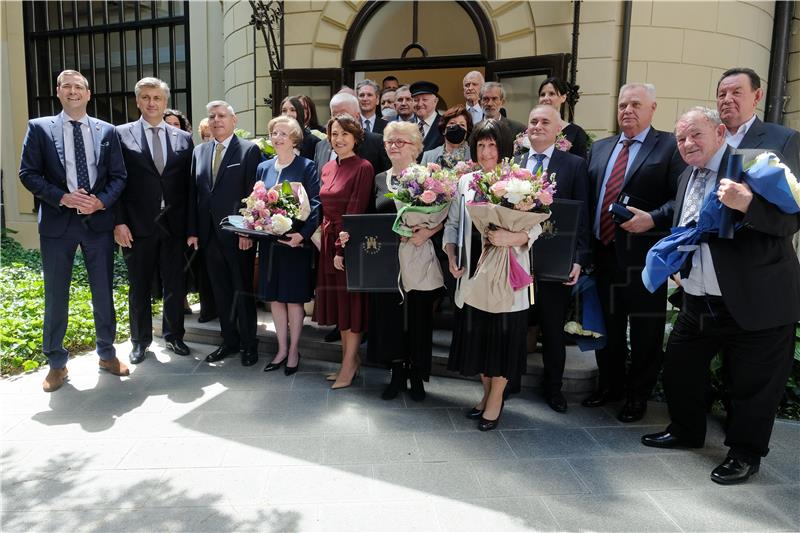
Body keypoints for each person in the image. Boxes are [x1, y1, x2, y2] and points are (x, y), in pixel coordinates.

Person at [641, 107, 800, 485]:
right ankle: (686, 430)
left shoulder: (755, 166)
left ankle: (745, 454)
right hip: (700, 297)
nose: (687, 144)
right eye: (680, 138)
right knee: (680, 367)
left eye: (695, 134)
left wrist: (748, 203)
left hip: (758, 299)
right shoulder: (686, 176)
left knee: (753, 385)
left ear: (719, 132)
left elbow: (790, 221)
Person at [19, 69, 129, 392]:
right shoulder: (39, 129)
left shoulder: (107, 131)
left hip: (97, 224)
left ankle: (107, 353)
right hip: (57, 224)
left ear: (88, 93)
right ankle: (56, 364)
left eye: (78, 86)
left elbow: (119, 177)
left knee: (103, 291)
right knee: (56, 295)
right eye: (65, 86)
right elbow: (28, 173)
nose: (72, 91)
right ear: (58, 92)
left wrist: (100, 203)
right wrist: (63, 197)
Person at [584, 83, 685, 422]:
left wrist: (652, 219)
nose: (627, 110)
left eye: (636, 104)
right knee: (607, 329)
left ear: (653, 108)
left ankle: (637, 397)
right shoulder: (599, 149)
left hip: (645, 261)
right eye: (623, 104)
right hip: (603, 255)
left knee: (645, 333)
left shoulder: (670, 146)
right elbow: (587, 202)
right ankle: (609, 386)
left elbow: (682, 201)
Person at [443, 119, 532, 431]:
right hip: (473, 273)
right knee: (479, 340)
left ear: (503, 146)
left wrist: (515, 238)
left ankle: (495, 401)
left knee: (503, 339)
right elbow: (453, 224)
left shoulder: (520, 181)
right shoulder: (466, 182)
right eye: (480, 145)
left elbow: (538, 226)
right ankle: (486, 393)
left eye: (492, 144)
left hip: (509, 273)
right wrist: (452, 255)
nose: (486, 151)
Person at [514, 105, 591, 412]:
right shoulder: (516, 162)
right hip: (518, 258)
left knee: (552, 327)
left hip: (555, 260)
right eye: (533, 121)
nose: (538, 126)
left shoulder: (573, 165)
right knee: (517, 325)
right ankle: (510, 382)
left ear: (559, 129)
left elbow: (582, 213)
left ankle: (554, 388)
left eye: (545, 121)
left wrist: (579, 257)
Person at [114, 77, 194, 364]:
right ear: (137, 101)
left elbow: (189, 187)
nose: (151, 103)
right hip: (136, 226)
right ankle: (139, 341)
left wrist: (191, 226)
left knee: (175, 284)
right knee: (139, 286)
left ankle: (174, 336)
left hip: (174, 226)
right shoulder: (120, 135)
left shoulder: (183, 138)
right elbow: (116, 183)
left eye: (157, 98)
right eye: (146, 97)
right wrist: (118, 222)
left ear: (165, 102)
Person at [362, 121, 442, 401]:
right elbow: (369, 218)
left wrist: (428, 231)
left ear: (416, 148)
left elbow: (447, 214)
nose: (394, 146)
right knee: (391, 318)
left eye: (401, 142)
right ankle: (396, 373)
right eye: (389, 141)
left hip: (418, 257)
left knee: (418, 318)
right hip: (387, 261)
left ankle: (417, 375)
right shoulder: (378, 179)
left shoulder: (428, 179)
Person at [187, 100, 261, 367]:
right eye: (212, 116)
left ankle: (249, 345)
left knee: (242, 291)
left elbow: (253, 195)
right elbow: (195, 195)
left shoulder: (249, 150)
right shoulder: (200, 151)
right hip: (208, 236)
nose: (216, 120)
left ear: (234, 120)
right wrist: (193, 230)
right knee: (220, 291)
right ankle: (229, 341)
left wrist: (247, 231)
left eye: (221, 116)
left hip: (237, 235)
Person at [312, 114, 374, 389]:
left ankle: (349, 365)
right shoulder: (326, 167)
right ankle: (347, 361)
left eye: (344, 134)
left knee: (352, 308)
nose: (338, 139)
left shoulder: (363, 167)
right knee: (340, 309)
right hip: (327, 242)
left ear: (356, 137)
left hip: (348, 245)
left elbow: (355, 211)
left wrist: (340, 249)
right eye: (334, 133)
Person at [256, 116, 321, 376]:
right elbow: (256, 201)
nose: (278, 137)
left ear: (294, 138)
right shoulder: (263, 167)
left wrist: (302, 236)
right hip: (271, 244)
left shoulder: (306, 166)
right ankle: (281, 349)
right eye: (274, 132)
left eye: (284, 133)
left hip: (295, 243)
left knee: (293, 300)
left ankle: (294, 350)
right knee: (275, 300)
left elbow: (316, 204)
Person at [313, 92, 390, 176]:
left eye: (343, 114)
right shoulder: (321, 146)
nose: (339, 120)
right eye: (334, 115)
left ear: (357, 116)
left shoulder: (375, 142)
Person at [538, 77, 590, 159]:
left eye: (552, 94)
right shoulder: (531, 131)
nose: (545, 98)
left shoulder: (576, 133)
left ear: (563, 97)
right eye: (542, 95)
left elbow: (580, 166)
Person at [280, 96, 321, 161]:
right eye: (284, 110)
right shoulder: (277, 139)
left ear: (300, 112)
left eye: (292, 110)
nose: (288, 114)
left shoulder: (314, 142)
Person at [410, 81, 444, 153]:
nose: (419, 104)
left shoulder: (445, 124)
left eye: (424, 99)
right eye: (416, 100)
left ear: (435, 101)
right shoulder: (406, 126)